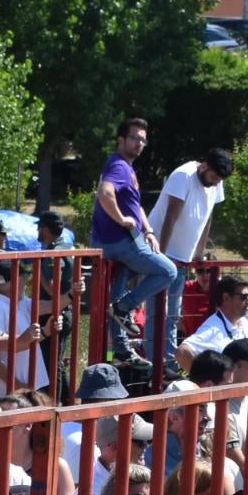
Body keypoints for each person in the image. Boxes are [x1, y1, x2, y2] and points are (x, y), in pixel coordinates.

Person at [90, 118, 182, 370]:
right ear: (121, 140)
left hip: (122, 243)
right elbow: (105, 193)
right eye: (134, 138)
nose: (139, 143)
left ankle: (119, 349)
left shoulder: (126, 168)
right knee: (168, 271)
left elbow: (136, 205)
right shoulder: (119, 166)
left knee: (118, 289)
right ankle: (124, 308)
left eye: (143, 139)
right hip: (121, 242)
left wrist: (149, 230)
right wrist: (121, 219)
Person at [149, 148, 232, 266]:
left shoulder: (216, 180)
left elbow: (207, 218)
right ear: (204, 166)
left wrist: (199, 254)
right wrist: (161, 259)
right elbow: (170, 218)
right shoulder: (183, 176)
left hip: (183, 259)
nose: (215, 183)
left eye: (219, 180)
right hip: (157, 251)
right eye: (213, 178)